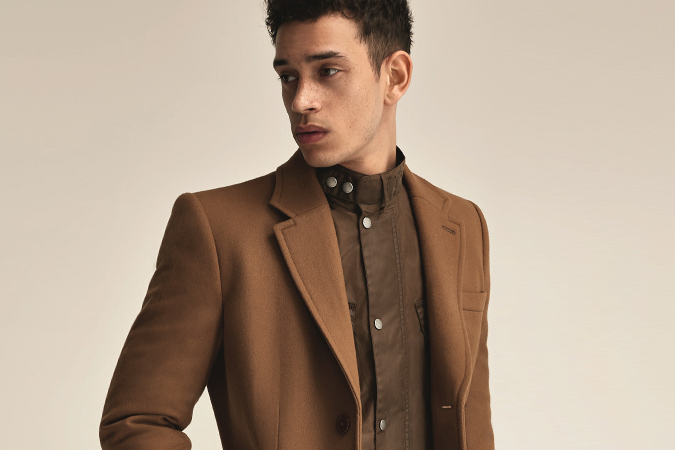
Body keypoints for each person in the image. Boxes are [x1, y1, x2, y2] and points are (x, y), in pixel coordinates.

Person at [99, 0, 494, 449]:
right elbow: (136, 422)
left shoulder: (461, 226)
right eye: (288, 76)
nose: (301, 100)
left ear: (395, 77)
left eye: (327, 71)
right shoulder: (218, 229)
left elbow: (472, 422)